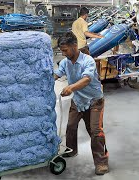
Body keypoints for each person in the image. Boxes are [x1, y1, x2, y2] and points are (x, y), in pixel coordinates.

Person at [54, 32, 109, 175]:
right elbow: (57, 74)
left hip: (94, 101)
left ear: (74, 46)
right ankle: (71, 151)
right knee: (71, 126)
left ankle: (101, 162)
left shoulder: (88, 60)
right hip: (78, 100)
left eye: (65, 50)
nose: (63, 53)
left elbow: (87, 80)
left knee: (95, 132)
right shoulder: (66, 62)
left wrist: (70, 87)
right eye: (61, 50)